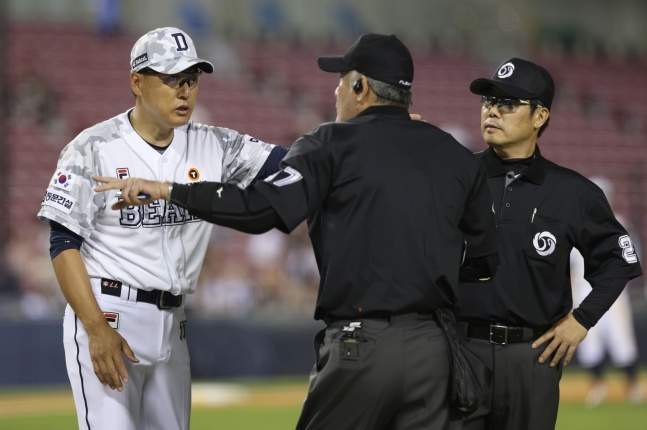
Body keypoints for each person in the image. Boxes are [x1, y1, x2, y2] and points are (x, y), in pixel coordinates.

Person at [94, 33, 499, 429]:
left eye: (341, 80)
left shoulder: (330, 144)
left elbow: (258, 210)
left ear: (360, 87)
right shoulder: (456, 156)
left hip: (364, 346)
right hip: (437, 351)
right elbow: (483, 261)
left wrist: (169, 189)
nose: (336, 90)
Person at [36, 27, 287, 430]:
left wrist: (364, 137)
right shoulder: (94, 147)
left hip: (174, 324)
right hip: (110, 314)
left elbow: (294, 162)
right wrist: (96, 329)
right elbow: (62, 243)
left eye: (191, 79)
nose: (184, 91)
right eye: (171, 78)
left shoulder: (214, 145)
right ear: (136, 81)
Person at [454, 57, 643, 430]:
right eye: (488, 101)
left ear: (540, 116)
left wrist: (582, 320)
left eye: (507, 103)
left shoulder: (573, 191)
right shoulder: (454, 176)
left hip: (533, 358)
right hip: (461, 350)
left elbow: (620, 260)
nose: (492, 111)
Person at [570, 176, 644, 407]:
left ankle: (632, 386)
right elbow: (570, 265)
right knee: (589, 341)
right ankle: (597, 386)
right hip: (583, 291)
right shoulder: (574, 223)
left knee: (621, 340)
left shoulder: (620, 225)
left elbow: (631, 261)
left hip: (613, 293)